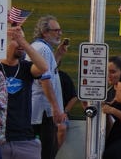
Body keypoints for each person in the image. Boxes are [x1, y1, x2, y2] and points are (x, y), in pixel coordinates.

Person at [0, 25, 50, 158]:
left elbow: (43, 67)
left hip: (25, 140)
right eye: (15, 38)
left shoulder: (26, 68)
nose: (20, 43)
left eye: (22, 38)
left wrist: (22, 41)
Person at [28, 16, 67, 159]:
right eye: (56, 30)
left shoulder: (38, 47)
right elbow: (45, 80)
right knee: (47, 152)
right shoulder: (43, 49)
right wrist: (55, 108)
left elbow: (47, 70)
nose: (60, 33)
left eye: (60, 30)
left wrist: (58, 55)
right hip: (43, 111)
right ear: (44, 32)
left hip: (40, 111)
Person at [102, 56, 121, 158]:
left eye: (113, 72)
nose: (109, 75)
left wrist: (112, 110)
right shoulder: (107, 93)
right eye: (107, 71)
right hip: (111, 138)